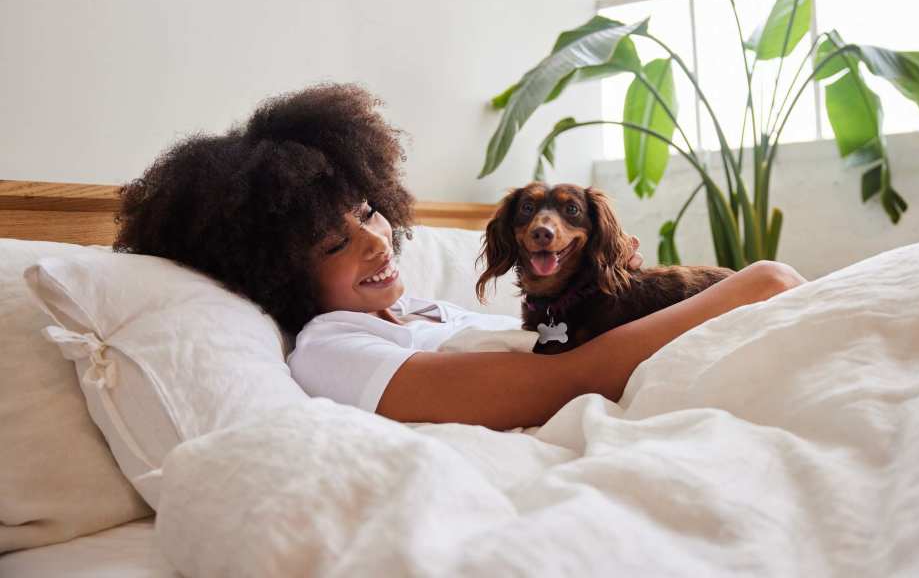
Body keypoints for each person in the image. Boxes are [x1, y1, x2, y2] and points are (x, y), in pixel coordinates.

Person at [114, 84, 807, 431]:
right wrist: (752, 285)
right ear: (278, 272)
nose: (378, 241)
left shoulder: (417, 309)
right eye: (334, 242)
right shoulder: (331, 347)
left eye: (367, 213)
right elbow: (560, 381)